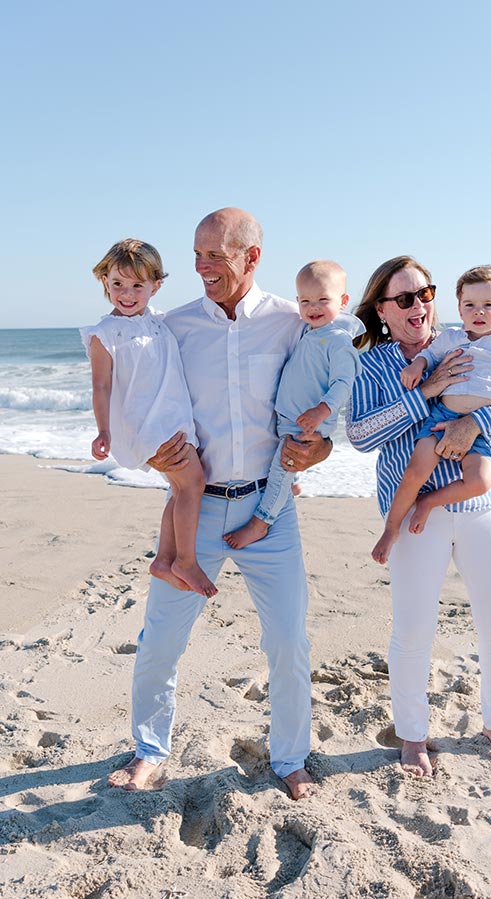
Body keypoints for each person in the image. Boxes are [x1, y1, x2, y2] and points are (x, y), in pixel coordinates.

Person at [107, 209, 330, 799]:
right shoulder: (171, 326)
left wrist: (321, 447)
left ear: (251, 256)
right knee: (161, 639)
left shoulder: (293, 321)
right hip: (198, 509)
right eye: (197, 254)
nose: (201, 267)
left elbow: (326, 390)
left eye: (215, 255)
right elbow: (135, 390)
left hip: (270, 511)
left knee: (288, 639)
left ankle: (289, 758)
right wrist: (146, 452)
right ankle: (150, 750)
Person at [347, 255, 491, 776]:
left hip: (482, 507)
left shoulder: (468, 341)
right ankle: (412, 735)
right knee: (414, 630)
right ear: (382, 310)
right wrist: (426, 394)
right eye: (405, 298)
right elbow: (362, 436)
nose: (419, 306)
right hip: (413, 516)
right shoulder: (371, 363)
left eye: (425, 294)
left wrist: (477, 422)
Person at [372, 265, 491, 562]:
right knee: (414, 473)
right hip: (440, 417)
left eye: (489, 305)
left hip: (478, 434)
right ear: (459, 309)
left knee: (480, 481)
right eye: (470, 305)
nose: (479, 312)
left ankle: (428, 502)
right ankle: (391, 529)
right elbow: (428, 357)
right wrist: (418, 371)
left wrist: (477, 421)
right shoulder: (449, 338)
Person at [81, 239, 216, 598]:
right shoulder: (104, 334)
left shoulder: (159, 321)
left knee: (180, 488)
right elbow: (101, 387)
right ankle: (185, 560)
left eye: (137, 285)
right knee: (193, 484)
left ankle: (165, 559)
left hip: (172, 415)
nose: (127, 294)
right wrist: (103, 431)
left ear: (156, 285)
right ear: (105, 283)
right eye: (118, 285)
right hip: (146, 423)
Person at [225, 259, 364, 550]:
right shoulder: (310, 333)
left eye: (323, 300)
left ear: (344, 301)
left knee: (280, 470)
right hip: (293, 418)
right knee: (285, 467)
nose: (313, 308)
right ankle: (293, 482)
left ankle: (260, 523)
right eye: (305, 301)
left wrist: (322, 411)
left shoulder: (339, 341)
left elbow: (344, 383)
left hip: (309, 422)